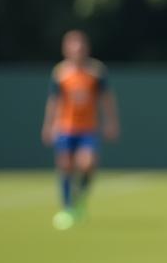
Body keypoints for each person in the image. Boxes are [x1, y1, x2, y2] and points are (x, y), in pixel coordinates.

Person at [41, 30, 119, 230]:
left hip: (88, 128)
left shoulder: (95, 72)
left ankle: (81, 197)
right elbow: (54, 101)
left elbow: (106, 98)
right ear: (65, 49)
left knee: (87, 163)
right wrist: (49, 125)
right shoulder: (60, 73)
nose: (77, 50)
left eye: (80, 46)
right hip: (66, 127)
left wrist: (111, 122)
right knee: (65, 165)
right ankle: (68, 208)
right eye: (72, 46)